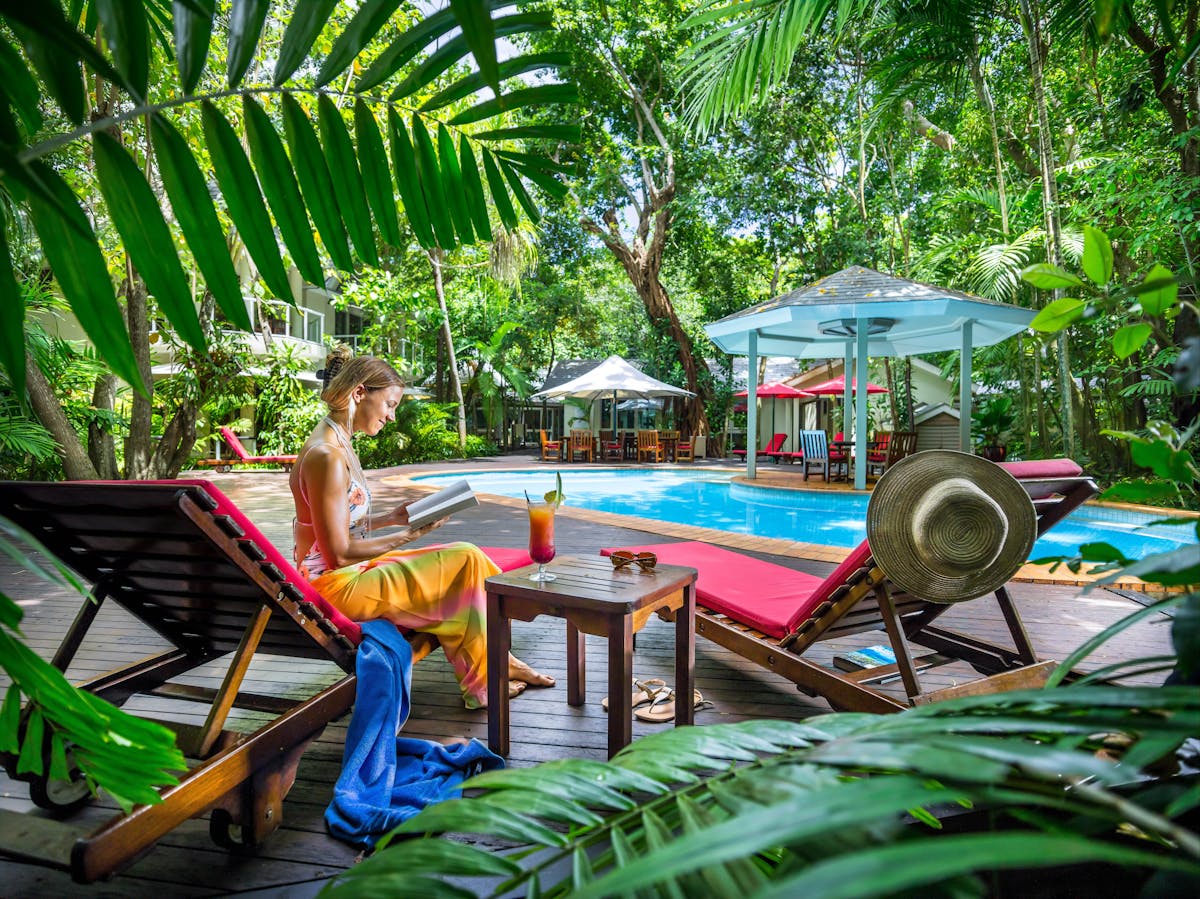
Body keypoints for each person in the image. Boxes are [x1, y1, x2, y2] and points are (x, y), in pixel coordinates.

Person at [291, 347, 554, 709]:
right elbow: (336, 552)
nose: (392, 417)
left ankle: (499, 664)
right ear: (359, 394)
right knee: (464, 561)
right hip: (336, 586)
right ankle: (485, 679)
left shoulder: (336, 443)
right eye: (390, 404)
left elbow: (336, 525)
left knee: (470, 561)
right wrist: (409, 534)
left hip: (350, 574)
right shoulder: (327, 457)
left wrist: (393, 518)